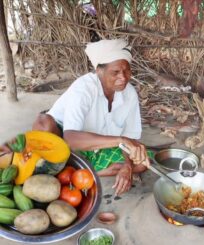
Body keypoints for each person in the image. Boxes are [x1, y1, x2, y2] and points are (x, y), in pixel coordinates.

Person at [32, 39, 150, 196]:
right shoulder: (84, 89)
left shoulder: (130, 94)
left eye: (127, 71)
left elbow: (130, 138)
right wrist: (120, 140)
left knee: (142, 161)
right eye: (115, 72)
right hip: (65, 139)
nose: (123, 77)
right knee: (43, 124)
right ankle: (88, 170)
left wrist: (127, 166)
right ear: (99, 72)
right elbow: (71, 138)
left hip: (98, 143)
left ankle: (84, 171)